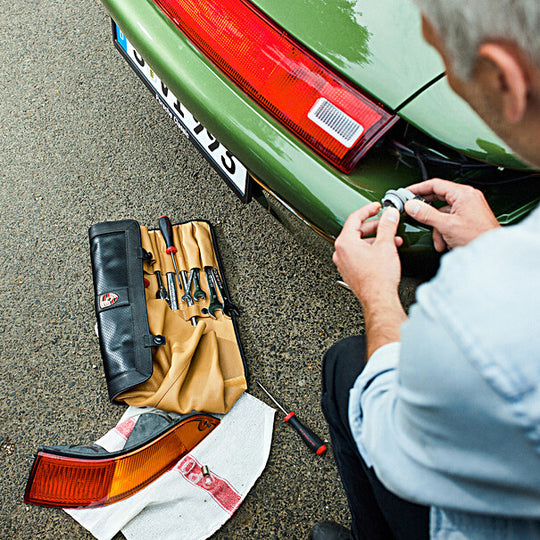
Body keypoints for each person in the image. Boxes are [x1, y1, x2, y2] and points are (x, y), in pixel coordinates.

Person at [311, 1, 540, 538]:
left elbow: (396, 440)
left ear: (505, 77)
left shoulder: (475, 322)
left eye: (443, 57)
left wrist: (377, 297)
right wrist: (495, 244)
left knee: (349, 370)